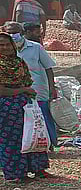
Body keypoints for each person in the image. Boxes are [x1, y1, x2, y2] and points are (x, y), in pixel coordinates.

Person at [0, 31, 49, 182]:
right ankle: (15, 174)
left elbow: (27, 81)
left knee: (33, 134)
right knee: (12, 140)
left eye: (8, 44)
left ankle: (38, 169)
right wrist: (23, 90)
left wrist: (27, 92)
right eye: (1, 45)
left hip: (25, 105)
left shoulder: (18, 62)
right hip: (6, 107)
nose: (5, 47)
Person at [6, 22, 57, 151]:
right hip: (15, 90)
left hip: (38, 88)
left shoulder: (36, 48)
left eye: (15, 32)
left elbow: (48, 68)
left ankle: (50, 143)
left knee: (43, 116)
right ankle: (28, 144)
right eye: (9, 33)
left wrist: (52, 88)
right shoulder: (5, 50)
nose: (12, 35)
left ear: (22, 33)